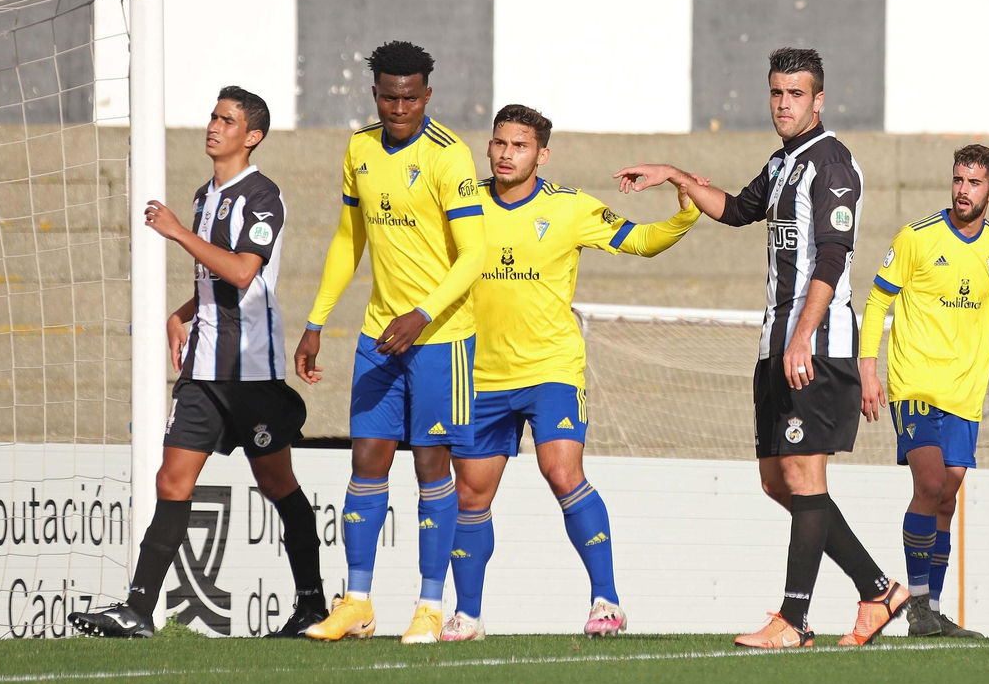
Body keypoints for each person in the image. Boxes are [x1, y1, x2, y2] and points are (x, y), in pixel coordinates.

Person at [615, 47, 907, 649]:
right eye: (776, 92)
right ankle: (878, 590)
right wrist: (675, 175)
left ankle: (793, 620)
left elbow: (833, 255)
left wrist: (803, 334)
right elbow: (738, 209)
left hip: (816, 345)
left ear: (818, 100)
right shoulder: (782, 164)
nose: (783, 103)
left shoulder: (832, 165)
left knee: (803, 475)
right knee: (778, 480)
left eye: (795, 94)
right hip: (775, 344)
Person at [69, 87, 325, 638]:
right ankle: (139, 610)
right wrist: (180, 312)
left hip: (250, 373)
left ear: (251, 136)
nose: (214, 126)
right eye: (212, 115)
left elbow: (241, 273)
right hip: (202, 375)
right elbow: (213, 280)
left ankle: (312, 604)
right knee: (171, 481)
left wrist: (177, 233)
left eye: (227, 120)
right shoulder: (202, 195)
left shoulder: (263, 195)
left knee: (279, 485)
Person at [440, 104, 700, 641]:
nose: (508, 154)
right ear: (487, 147)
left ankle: (606, 601)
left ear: (542, 154)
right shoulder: (462, 204)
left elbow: (642, 241)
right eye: (500, 144)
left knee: (562, 473)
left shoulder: (570, 207)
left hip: (550, 368)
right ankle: (467, 615)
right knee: (470, 498)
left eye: (520, 146)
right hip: (481, 373)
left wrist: (686, 213)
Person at [294, 41, 486, 644]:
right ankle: (357, 602)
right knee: (367, 457)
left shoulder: (448, 157)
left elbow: (474, 254)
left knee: (432, 463)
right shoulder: (360, 147)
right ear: (374, 94)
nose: (399, 107)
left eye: (410, 97)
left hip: (441, 336)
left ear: (427, 95)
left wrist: (424, 314)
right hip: (380, 334)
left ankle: (429, 605)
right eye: (388, 96)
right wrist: (317, 318)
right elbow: (349, 238)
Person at [859, 144, 989, 639]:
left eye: (975, 183)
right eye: (959, 180)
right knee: (930, 486)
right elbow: (878, 300)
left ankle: (932, 610)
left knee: (948, 497)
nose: (963, 190)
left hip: (965, 394)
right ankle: (916, 606)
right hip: (915, 382)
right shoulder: (917, 237)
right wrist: (868, 370)